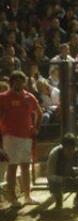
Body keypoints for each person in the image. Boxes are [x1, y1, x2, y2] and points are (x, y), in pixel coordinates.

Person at [0, 70, 42, 206]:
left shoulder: (29, 97)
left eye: (21, 80)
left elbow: (39, 113)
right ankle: (12, 198)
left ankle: (27, 197)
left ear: (24, 82)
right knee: (12, 167)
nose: (19, 83)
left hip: (27, 137)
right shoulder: (3, 97)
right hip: (10, 137)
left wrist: (36, 128)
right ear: (11, 82)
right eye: (16, 81)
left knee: (26, 166)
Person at [46, 133, 78, 210]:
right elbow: (49, 175)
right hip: (60, 181)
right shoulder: (55, 154)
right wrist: (62, 179)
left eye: (72, 149)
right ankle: (58, 200)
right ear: (63, 147)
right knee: (52, 182)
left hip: (73, 180)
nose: (70, 152)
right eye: (67, 149)